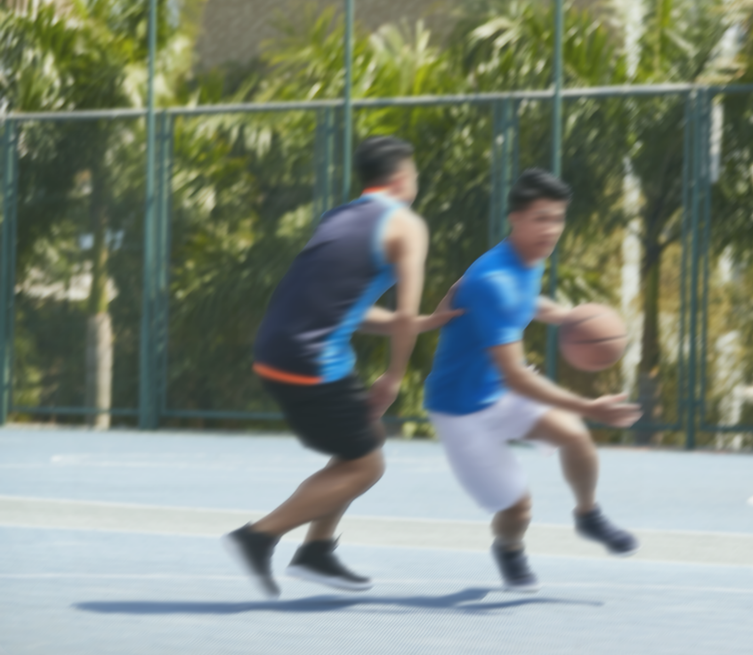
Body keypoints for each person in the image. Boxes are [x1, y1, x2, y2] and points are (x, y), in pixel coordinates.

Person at [223, 136, 460, 598]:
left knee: (359, 441)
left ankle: (318, 550)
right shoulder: (406, 225)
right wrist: (393, 376)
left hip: (276, 349)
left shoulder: (339, 216)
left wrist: (419, 322)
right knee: (367, 466)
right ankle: (259, 537)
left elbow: (341, 307)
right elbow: (404, 314)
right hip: (311, 361)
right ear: (401, 178)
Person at [423, 168, 642, 593]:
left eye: (557, 218)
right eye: (541, 218)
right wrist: (590, 406)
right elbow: (517, 377)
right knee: (518, 508)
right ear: (515, 219)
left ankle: (587, 515)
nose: (551, 229)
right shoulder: (495, 281)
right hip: (461, 409)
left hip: (496, 390)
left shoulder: (524, 261)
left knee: (574, 436)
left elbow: (504, 296)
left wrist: (560, 315)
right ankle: (508, 547)